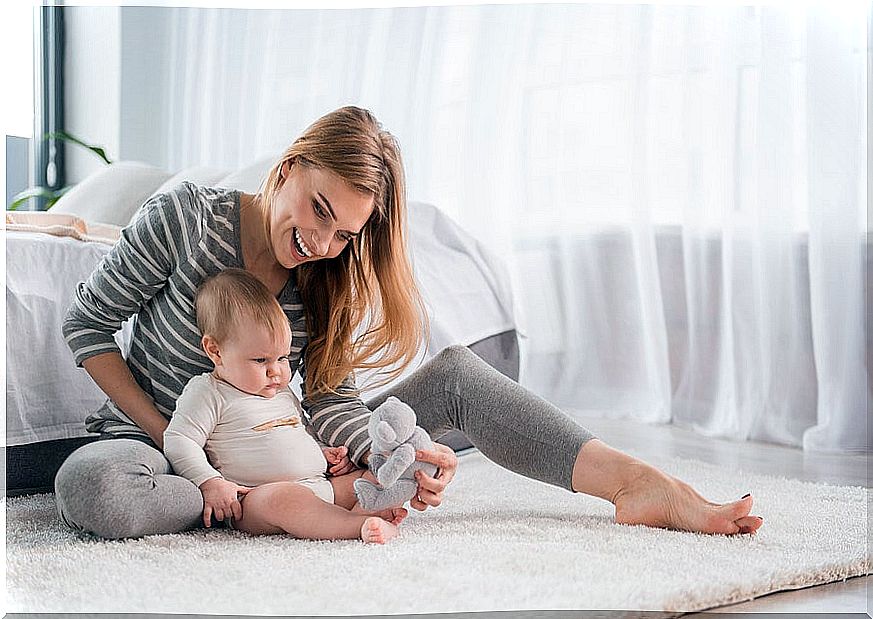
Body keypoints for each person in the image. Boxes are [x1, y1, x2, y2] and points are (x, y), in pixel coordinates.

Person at [55, 105, 763, 539]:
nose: (322, 243)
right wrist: (193, 460)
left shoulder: (326, 272)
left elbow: (327, 398)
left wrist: (395, 451)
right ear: (290, 167)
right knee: (98, 490)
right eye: (319, 209)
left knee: (452, 376)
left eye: (344, 233)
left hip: (288, 443)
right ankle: (274, 503)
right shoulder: (181, 221)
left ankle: (637, 483)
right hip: (163, 442)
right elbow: (87, 327)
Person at [164, 268, 407, 543]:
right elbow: (179, 439)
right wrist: (210, 482)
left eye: (282, 358)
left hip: (320, 486)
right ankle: (357, 525)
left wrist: (324, 453)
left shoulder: (280, 391)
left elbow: (298, 432)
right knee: (285, 499)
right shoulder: (209, 391)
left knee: (378, 475)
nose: (276, 371)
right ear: (216, 351)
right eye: (260, 360)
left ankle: (355, 515)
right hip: (258, 499)